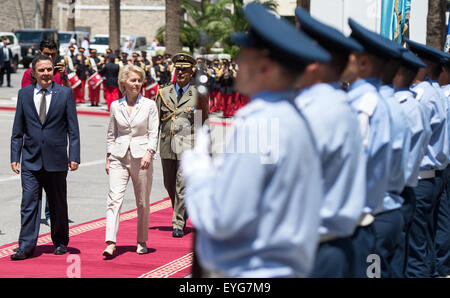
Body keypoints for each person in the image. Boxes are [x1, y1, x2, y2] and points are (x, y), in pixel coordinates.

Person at [180, 2, 329, 277]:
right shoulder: (292, 115)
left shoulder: (259, 123)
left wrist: (198, 173)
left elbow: (225, 218)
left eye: (244, 55)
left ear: (264, 66)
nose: (237, 63)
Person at [293, 8, 366, 278]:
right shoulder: (335, 102)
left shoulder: (316, 110)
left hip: (317, 248)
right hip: (330, 241)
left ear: (314, 61)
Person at [10, 54, 80, 260]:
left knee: (58, 203)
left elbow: (73, 129)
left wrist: (73, 155)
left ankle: (59, 241)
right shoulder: (24, 94)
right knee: (29, 203)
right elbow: (17, 129)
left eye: (49, 69)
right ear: (34, 73)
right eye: (41, 70)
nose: (46, 74)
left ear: (54, 71)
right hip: (31, 159)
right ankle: (26, 246)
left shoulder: (65, 94)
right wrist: (15, 155)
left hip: (57, 159)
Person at [341, 18, 395, 277]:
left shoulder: (365, 104)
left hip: (358, 223)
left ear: (362, 63)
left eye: (348, 56)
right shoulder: (369, 99)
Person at [104, 64, 159, 257]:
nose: (136, 84)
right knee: (114, 199)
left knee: (142, 202)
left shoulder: (150, 105)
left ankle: (141, 240)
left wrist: (149, 153)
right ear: (123, 83)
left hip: (141, 157)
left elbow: (154, 133)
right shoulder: (115, 105)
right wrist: (108, 157)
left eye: (139, 80)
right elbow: (111, 134)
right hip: (119, 156)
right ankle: (110, 242)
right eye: (132, 80)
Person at [404, 38, 448, 277]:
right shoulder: (435, 93)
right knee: (425, 242)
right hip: (433, 175)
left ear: (420, 65)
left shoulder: (421, 96)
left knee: (416, 248)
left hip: (422, 177)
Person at [390, 48, 431, 277]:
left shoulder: (399, 107)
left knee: (383, 260)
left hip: (393, 192)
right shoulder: (416, 105)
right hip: (410, 186)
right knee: (404, 253)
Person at [155, 53, 204, 238]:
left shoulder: (198, 94)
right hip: (167, 144)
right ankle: (185, 209)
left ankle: (178, 223)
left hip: (187, 146)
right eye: (178, 69)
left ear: (192, 72)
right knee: (169, 184)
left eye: (185, 69)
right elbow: (157, 120)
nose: (181, 72)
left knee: (181, 184)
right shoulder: (163, 92)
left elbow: (201, 123)